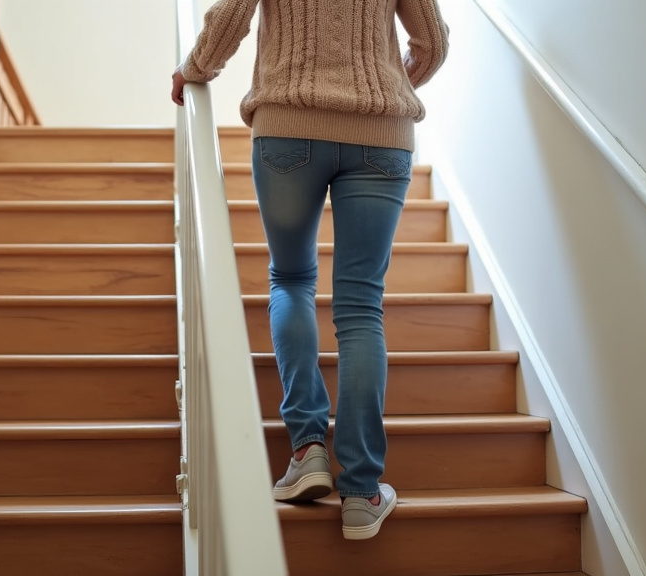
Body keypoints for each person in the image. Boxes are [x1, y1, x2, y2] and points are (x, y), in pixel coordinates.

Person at [173, 0, 448, 541]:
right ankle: (363, 492)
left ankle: (308, 450)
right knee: (361, 306)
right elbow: (432, 42)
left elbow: (231, 14)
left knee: (293, 279)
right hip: (381, 135)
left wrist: (194, 69)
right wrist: (388, 85)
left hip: (288, 129)